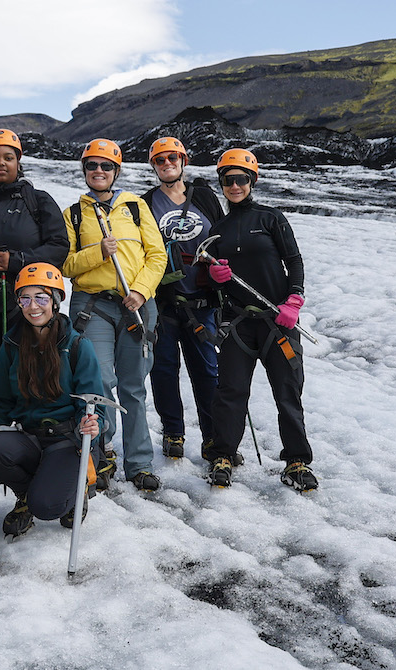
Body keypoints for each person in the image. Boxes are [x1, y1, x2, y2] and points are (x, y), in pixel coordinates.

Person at [203, 149, 317, 491]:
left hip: (277, 322)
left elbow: (294, 261)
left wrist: (294, 299)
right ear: (221, 183)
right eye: (228, 180)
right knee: (230, 392)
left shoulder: (271, 218)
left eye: (241, 179)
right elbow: (214, 278)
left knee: (287, 392)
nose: (235, 185)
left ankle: (296, 461)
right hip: (239, 324)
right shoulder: (219, 228)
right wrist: (215, 276)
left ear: (252, 181)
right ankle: (223, 455)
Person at [62, 139, 167, 492]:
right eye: (92, 166)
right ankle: (103, 453)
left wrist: (140, 291)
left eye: (106, 166)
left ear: (116, 171)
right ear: (85, 171)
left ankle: (139, 463)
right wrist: (98, 253)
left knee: (134, 387)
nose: (99, 172)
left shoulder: (135, 207)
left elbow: (157, 255)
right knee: (99, 382)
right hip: (93, 307)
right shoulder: (75, 213)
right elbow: (66, 264)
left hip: (135, 305)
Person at [0, 263, 105, 536]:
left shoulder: (78, 345)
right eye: (25, 298)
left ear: (56, 302)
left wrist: (91, 427)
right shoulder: (11, 344)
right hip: (31, 436)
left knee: (47, 506)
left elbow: (93, 403)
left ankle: (73, 488)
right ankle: (26, 494)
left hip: (66, 439)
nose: (32, 306)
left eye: (41, 298)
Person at [0, 129, 68, 388]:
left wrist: (18, 261)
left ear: (19, 162)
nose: (1, 163)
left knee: (31, 371)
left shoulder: (37, 201)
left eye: (8, 157)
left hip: (29, 307)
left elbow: (59, 247)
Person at [140, 137, 225, 461]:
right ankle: (173, 432)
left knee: (207, 371)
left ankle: (212, 437)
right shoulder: (146, 202)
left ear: (183, 160)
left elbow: (222, 234)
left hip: (202, 300)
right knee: (163, 370)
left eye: (172, 157)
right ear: (154, 165)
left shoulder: (203, 196)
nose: (167, 164)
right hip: (164, 303)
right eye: (160, 160)